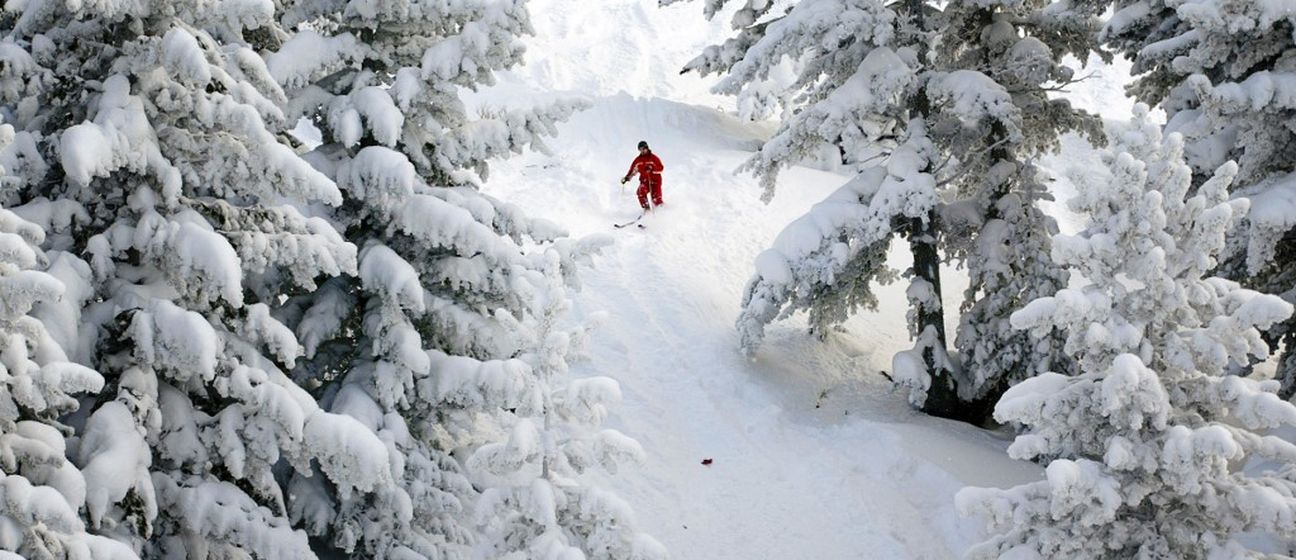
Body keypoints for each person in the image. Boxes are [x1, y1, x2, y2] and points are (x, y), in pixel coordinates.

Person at [621, 140, 664, 210]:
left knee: (656, 199)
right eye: (640, 149)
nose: (642, 151)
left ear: (647, 148)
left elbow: (661, 168)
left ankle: (662, 211)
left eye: (644, 149)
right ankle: (646, 209)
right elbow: (632, 170)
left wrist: (652, 168)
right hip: (645, 181)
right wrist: (627, 178)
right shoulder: (638, 160)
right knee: (640, 191)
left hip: (655, 181)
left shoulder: (653, 158)